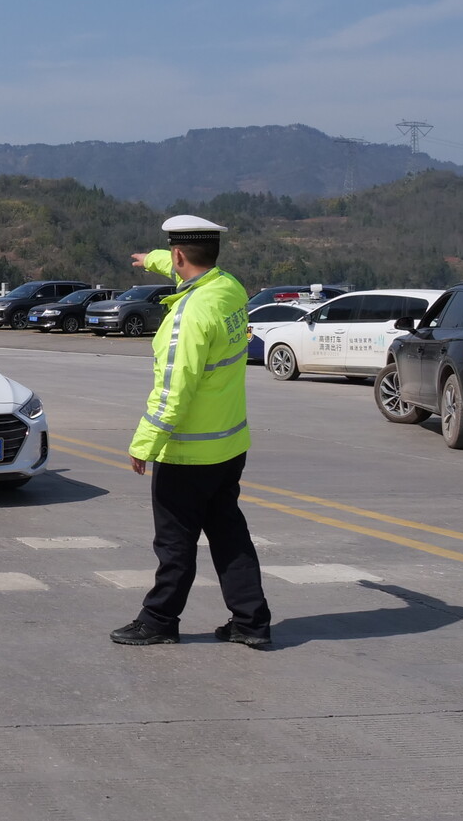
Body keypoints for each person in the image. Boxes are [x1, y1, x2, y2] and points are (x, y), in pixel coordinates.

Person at [110, 215, 270, 648]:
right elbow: (184, 266)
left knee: (175, 543)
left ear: (180, 254)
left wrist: (144, 443)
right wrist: (152, 259)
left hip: (188, 454)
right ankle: (251, 622)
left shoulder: (188, 316)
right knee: (229, 535)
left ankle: (159, 620)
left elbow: (173, 391)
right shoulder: (229, 289)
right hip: (229, 446)